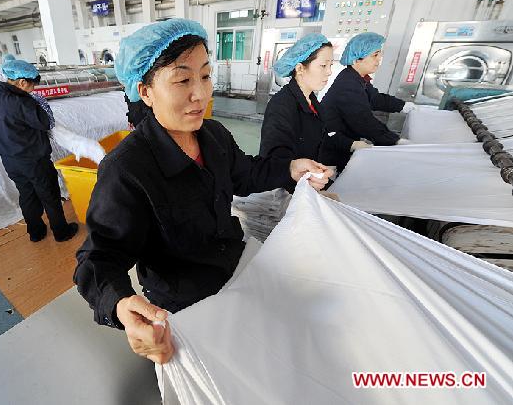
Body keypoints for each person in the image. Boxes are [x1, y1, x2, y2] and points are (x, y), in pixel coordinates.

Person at [74, 19, 331, 365]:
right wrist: (120, 303)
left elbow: (247, 173)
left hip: (236, 268)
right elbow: (100, 256)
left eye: (206, 76)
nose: (201, 93)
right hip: (185, 302)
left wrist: (289, 168)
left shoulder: (213, 136)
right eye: (182, 80)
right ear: (146, 92)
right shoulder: (127, 169)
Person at [0, 58, 78, 244]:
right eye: (32, 86)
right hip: (34, 159)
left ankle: (36, 232)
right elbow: (46, 123)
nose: (33, 90)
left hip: (10, 159)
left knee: (27, 195)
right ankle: (61, 232)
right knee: (49, 195)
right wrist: (41, 103)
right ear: (22, 82)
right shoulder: (22, 102)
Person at [320, 32, 416, 170]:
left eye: (379, 54)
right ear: (356, 59)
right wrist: (394, 140)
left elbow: (375, 99)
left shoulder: (357, 78)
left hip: (343, 140)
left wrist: (403, 106)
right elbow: (363, 120)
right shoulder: (348, 84)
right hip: (333, 146)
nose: (379, 60)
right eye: (374, 55)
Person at [259, 34, 356, 167]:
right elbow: (276, 160)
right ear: (300, 69)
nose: (329, 72)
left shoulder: (312, 101)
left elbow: (323, 136)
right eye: (323, 65)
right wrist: (307, 184)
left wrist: (352, 144)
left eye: (330, 65)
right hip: (295, 184)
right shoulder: (281, 106)